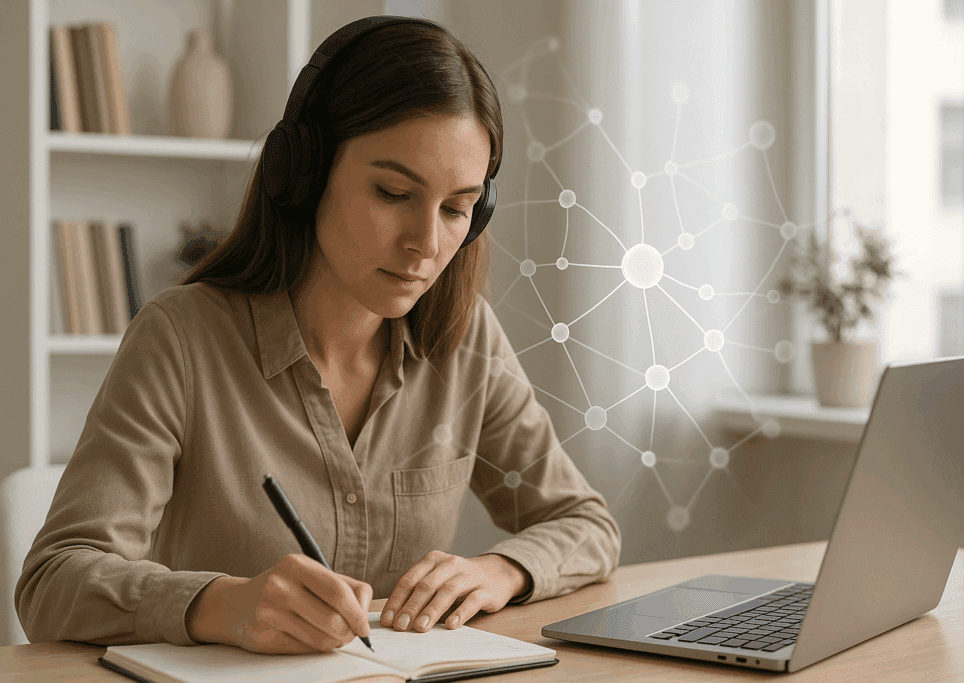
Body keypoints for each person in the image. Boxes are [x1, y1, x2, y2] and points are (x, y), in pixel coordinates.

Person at [16, 16, 620, 654]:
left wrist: (498, 572)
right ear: (304, 173)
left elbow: (586, 524)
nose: (426, 244)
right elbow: (54, 581)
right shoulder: (180, 340)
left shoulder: (467, 339)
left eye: (456, 208)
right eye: (392, 193)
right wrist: (222, 604)